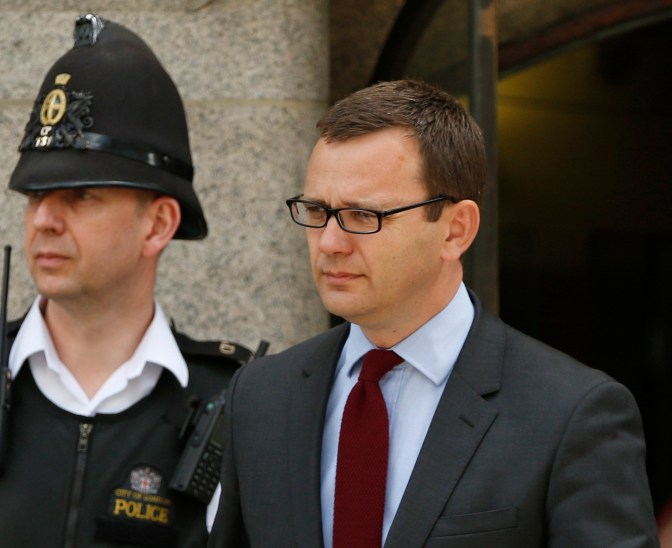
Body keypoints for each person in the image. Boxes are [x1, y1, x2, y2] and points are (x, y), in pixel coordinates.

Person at [209, 79, 660, 547]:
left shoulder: (571, 413)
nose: (329, 243)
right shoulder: (261, 396)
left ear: (456, 231)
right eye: (317, 210)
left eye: (365, 216)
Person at [0, 14, 252, 547]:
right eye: (35, 197)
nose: (44, 220)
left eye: (80, 196)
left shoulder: (238, 407)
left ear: (158, 224)